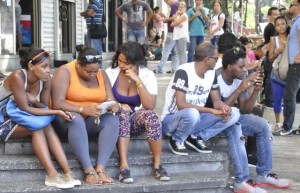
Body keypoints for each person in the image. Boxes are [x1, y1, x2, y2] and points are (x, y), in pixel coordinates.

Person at [161, 43, 271, 193]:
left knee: (234, 113)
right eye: (215, 57)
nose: (218, 60)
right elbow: (181, 105)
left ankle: (195, 136)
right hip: (173, 120)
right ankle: (178, 139)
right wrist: (213, 111)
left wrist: (222, 108)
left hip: (196, 120)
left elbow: (217, 100)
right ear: (207, 59)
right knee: (192, 113)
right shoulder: (183, 71)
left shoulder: (210, 74)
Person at [0, 48, 80, 189]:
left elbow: (42, 105)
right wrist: (56, 112)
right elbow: (25, 108)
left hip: (19, 117)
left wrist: (34, 100)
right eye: (44, 67)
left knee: (46, 125)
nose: (48, 70)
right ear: (31, 66)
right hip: (3, 119)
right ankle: (52, 175)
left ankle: (67, 172)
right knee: (37, 128)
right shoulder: (17, 77)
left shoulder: (46, 80)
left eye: (49, 66)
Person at [217, 46, 290, 191]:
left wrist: (256, 90)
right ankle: (241, 181)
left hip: (234, 116)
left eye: (246, 65)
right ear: (230, 67)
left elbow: (245, 109)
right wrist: (240, 89)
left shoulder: (240, 77)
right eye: (241, 67)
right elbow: (219, 111)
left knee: (263, 125)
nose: (245, 70)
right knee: (235, 127)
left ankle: (264, 175)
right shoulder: (216, 78)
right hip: (215, 120)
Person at [51, 46, 120, 185]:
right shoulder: (65, 72)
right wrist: (82, 109)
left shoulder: (101, 73)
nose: (93, 75)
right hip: (65, 120)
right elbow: (57, 103)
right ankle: (88, 170)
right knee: (76, 119)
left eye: (96, 71)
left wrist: (114, 106)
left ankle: (100, 169)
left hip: (90, 120)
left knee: (112, 119)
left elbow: (111, 99)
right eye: (89, 71)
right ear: (78, 64)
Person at [105, 41, 170, 184]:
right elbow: (105, 100)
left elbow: (150, 105)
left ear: (137, 62)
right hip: (114, 120)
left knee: (151, 116)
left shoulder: (147, 75)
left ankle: (158, 165)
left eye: (126, 63)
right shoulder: (110, 74)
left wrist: (138, 81)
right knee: (123, 115)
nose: (121, 65)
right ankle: (124, 167)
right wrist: (120, 105)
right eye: (120, 61)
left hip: (135, 120)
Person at [280, 0, 300, 135]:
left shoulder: (299, 21)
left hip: (297, 63)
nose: (289, 6)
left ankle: (287, 126)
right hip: (295, 62)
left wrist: (298, 56)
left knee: (289, 95)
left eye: (292, 4)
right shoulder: (295, 21)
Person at [268, 16, 289, 134]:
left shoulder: (292, 38)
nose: (281, 26)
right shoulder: (273, 40)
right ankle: (277, 123)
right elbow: (270, 58)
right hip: (276, 74)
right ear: (275, 27)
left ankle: (286, 124)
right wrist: (278, 50)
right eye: (278, 24)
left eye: (283, 24)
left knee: (288, 100)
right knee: (277, 98)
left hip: (289, 74)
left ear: (286, 25)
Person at [153, 0, 179, 74]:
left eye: (166, 1)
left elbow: (174, 18)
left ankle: (160, 68)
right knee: (174, 52)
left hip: (172, 31)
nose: (166, 3)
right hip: (176, 32)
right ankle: (175, 69)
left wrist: (165, 20)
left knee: (166, 51)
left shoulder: (174, 5)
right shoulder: (177, 4)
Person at [262, 7, 279, 108]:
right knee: (270, 78)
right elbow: (271, 43)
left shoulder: (272, 27)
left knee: (270, 77)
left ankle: (269, 100)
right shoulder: (271, 28)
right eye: (274, 14)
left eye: (277, 14)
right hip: (270, 55)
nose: (276, 16)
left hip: (270, 55)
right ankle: (269, 101)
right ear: (269, 16)